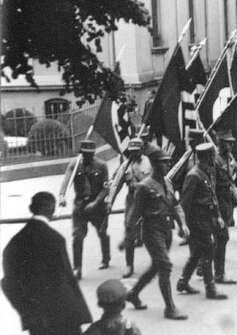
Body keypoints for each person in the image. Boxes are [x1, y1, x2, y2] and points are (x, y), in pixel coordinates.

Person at [2, 192, 97, 335]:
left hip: (36, 316)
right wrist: (82, 312)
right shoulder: (55, 239)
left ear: (30, 208)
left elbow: (8, 283)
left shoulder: (15, 242)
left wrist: (26, 311)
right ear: (52, 211)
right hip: (64, 314)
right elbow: (66, 279)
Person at [123, 149, 189, 320]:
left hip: (166, 229)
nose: (167, 165)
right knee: (165, 265)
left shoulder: (167, 182)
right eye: (163, 162)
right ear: (154, 164)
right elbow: (134, 213)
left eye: (168, 161)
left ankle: (133, 293)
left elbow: (174, 204)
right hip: (151, 230)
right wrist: (129, 236)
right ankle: (170, 308)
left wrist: (182, 223)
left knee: (156, 267)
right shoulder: (144, 186)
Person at [177, 142, 228, 300]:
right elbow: (184, 203)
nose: (214, 158)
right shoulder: (194, 175)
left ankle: (183, 281)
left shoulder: (207, 172)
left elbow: (212, 196)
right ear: (208, 157)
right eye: (212, 155)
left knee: (198, 252)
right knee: (208, 250)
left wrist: (218, 216)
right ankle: (210, 289)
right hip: (197, 221)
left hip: (208, 217)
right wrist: (183, 225)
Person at [59, 139, 110, 279]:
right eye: (84, 154)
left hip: (97, 206)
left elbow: (106, 189)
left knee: (102, 232)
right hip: (80, 205)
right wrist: (62, 196)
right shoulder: (75, 165)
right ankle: (77, 268)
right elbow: (67, 180)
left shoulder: (102, 165)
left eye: (90, 154)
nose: (87, 157)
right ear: (81, 153)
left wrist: (96, 202)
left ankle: (106, 258)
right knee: (77, 237)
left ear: (93, 153)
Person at [106, 137, 150, 278]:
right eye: (131, 152)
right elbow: (116, 185)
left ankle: (159, 261)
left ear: (142, 150)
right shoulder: (125, 166)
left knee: (155, 231)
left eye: (136, 151)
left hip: (149, 199)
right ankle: (129, 265)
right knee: (130, 231)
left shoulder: (149, 163)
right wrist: (110, 202)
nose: (133, 154)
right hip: (133, 200)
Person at [213, 132, 237, 286]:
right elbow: (211, 187)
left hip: (225, 202)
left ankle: (200, 267)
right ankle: (219, 274)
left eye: (231, 143)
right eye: (228, 143)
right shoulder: (215, 161)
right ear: (221, 143)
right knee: (221, 237)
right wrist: (216, 212)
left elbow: (230, 182)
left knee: (216, 238)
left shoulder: (227, 159)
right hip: (215, 202)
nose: (231, 146)